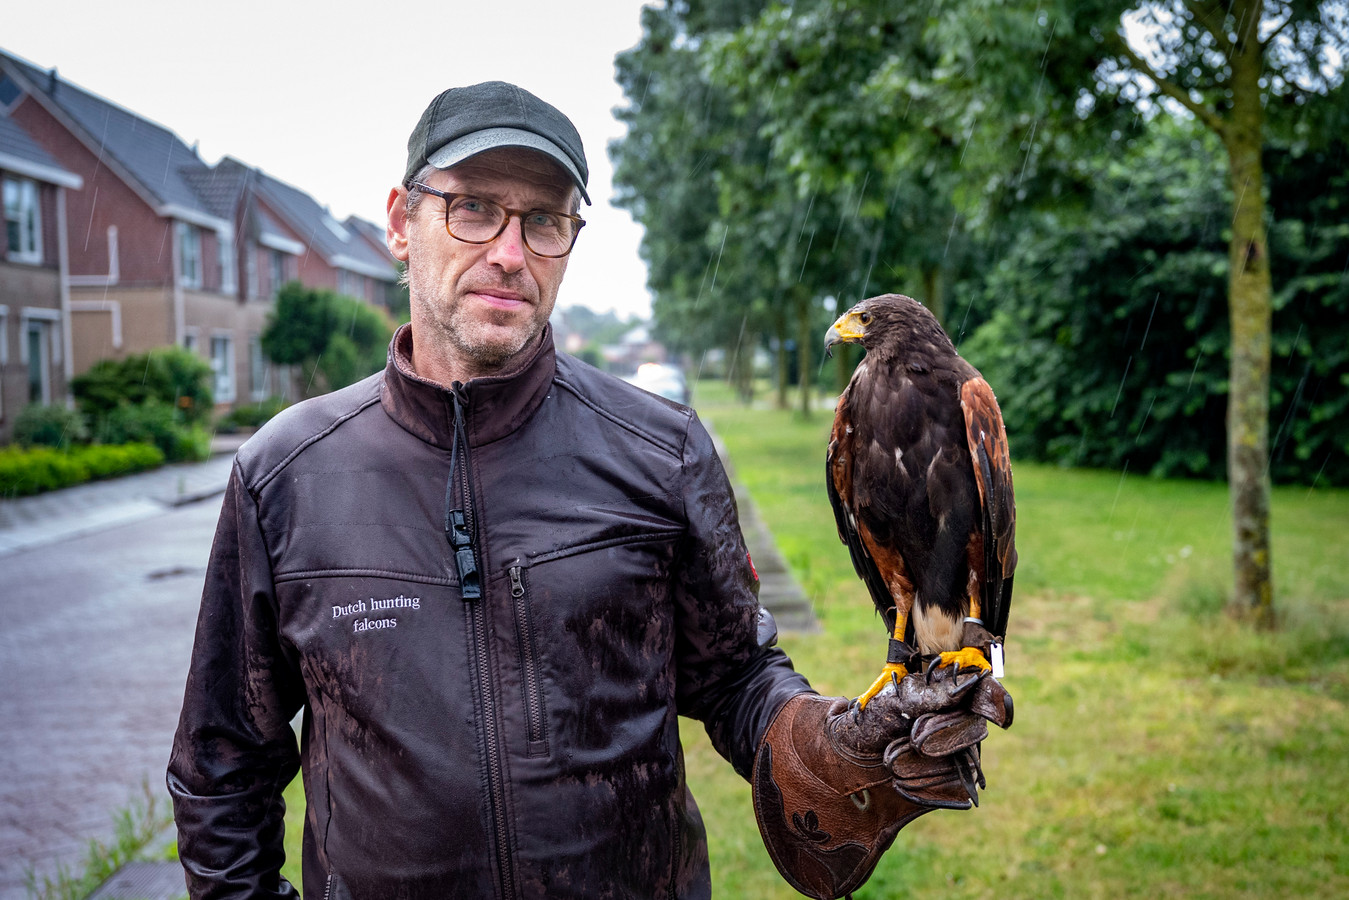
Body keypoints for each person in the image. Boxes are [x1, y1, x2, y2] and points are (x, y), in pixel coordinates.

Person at [168, 81, 1008, 900]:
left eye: (543, 221)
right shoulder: (284, 473)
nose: (508, 251)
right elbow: (221, 764)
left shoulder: (661, 451)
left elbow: (735, 677)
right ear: (400, 222)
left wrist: (831, 745)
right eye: (471, 208)